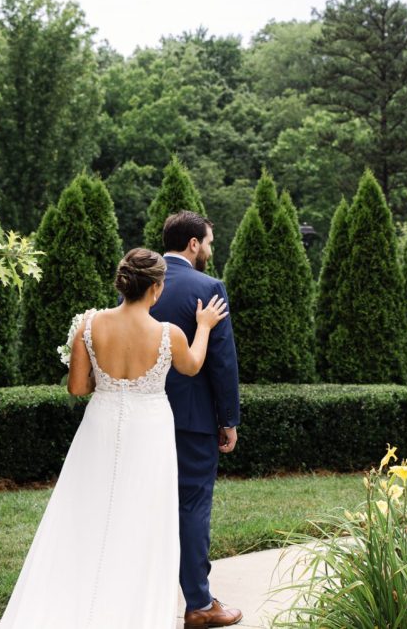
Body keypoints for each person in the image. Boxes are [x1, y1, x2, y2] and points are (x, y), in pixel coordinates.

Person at [0, 248, 229, 628]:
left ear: (123, 283)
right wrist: (203, 326)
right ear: (156, 288)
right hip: (149, 430)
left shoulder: (90, 325)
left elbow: (76, 388)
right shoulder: (168, 333)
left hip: (100, 425)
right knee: (144, 518)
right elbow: (193, 366)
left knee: (87, 512)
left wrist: (105, 380)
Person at [151, 211, 243, 629]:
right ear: (192, 244)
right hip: (192, 420)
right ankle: (199, 604)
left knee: (149, 507)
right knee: (191, 507)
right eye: (207, 241)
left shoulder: (138, 287)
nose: (209, 249)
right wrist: (229, 419)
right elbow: (221, 364)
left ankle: (144, 597)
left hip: (143, 416)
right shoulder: (208, 288)